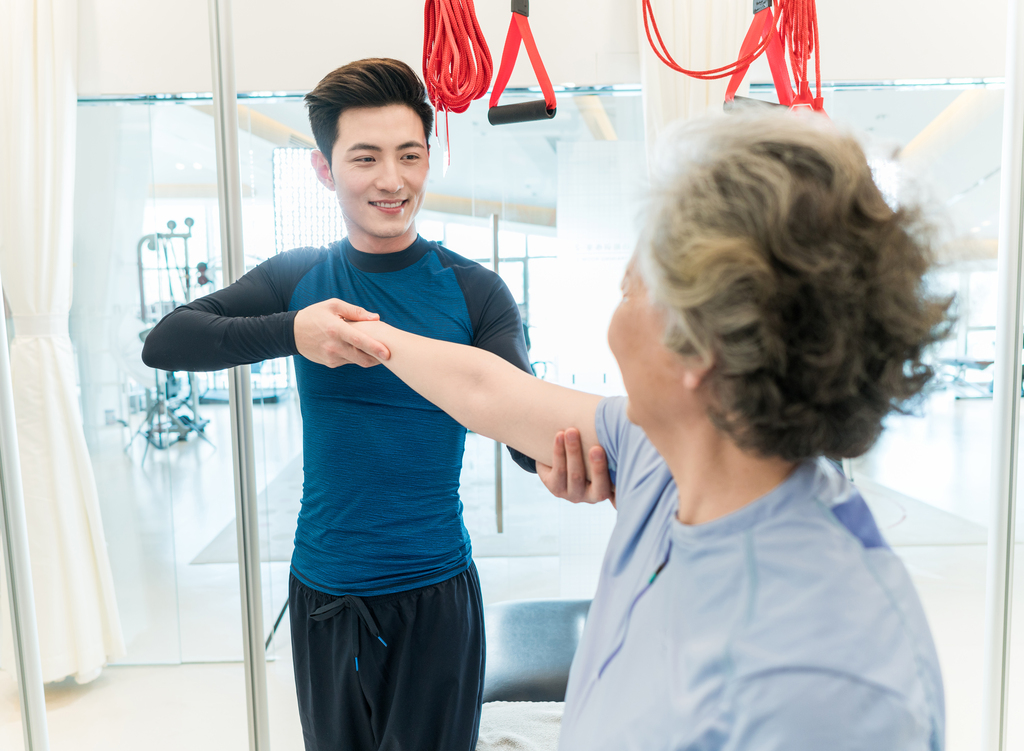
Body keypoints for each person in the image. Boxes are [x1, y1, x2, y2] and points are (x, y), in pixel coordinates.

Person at [346, 111, 951, 750]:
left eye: (631, 292)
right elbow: (486, 390)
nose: (614, 319)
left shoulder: (822, 681)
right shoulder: (665, 459)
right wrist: (362, 332)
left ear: (698, 348)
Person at [142, 58, 552, 751]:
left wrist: (558, 440)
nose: (391, 180)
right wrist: (291, 331)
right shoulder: (299, 276)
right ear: (325, 170)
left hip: (437, 594)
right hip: (325, 596)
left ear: (430, 158)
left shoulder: (475, 292)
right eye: (365, 158)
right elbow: (167, 340)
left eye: (409, 155)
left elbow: (524, 435)